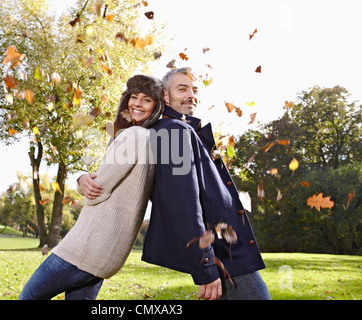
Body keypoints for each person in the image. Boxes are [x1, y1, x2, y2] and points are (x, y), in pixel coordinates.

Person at [19, 74, 165, 300]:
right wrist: (83, 179)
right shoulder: (152, 140)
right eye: (134, 96)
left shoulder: (134, 135)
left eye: (146, 100)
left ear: (156, 106)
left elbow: (96, 193)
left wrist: (81, 180)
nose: (137, 103)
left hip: (86, 247)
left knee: (29, 296)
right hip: (109, 254)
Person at [141, 67, 271, 300]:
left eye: (195, 90)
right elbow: (182, 205)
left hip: (226, 253)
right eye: (182, 89)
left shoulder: (187, 131)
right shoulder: (174, 132)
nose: (191, 95)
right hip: (223, 258)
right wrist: (206, 264)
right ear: (165, 95)